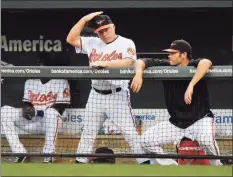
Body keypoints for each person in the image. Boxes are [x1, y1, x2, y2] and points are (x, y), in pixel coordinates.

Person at [66, 11, 150, 164]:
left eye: (106, 29)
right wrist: (84, 19)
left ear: (113, 26)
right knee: (88, 134)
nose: (104, 33)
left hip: (117, 95)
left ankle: (145, 164)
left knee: (130, 134)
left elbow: (128, 62)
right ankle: (79, 166)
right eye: (100, 31)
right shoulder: (92, 42)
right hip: (96, 95)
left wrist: (106, 64)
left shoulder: (126, 42)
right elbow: (70, 39)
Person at [131, 39, 222, 165]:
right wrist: (138, 74)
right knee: (146, 141)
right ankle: (172, 167)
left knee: (206, 141)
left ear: (183, 54)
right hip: (176, 123)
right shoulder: (166, 66)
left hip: (200, 119)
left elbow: (206, 62)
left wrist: (191, 85)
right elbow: (141, 61)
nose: (169, 56)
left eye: (173, 53)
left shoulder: (195, 64)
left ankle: (218, 168)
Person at [1, 52, 71, 163]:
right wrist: (27, 110)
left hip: (53, 124)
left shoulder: (61, 82)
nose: (40, 66)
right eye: (38, 63)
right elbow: (27, 103)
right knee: (5, 110)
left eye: (43, 63)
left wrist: (37, 112)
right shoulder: (30, 82)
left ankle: (49, 155)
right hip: (34, 123)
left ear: (50, 66)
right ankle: (20, 153)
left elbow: (60, 108)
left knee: (51, 113)